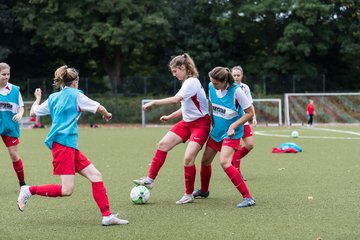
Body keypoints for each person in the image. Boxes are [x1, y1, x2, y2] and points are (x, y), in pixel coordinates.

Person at [17, 65, 128, 226]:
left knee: (96, 176)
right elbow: (100, 107)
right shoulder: (77, 95)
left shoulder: (54, 97)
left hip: (66, 145)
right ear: (76, 81)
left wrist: (37, 98)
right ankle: (28, 190)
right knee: (67, 190)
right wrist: (107, 114)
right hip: (63, 145)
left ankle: (107, 216)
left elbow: (33, 112)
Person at [133, 53, 210, 204]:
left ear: (183, 67)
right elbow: (187, 107)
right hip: (187, 123)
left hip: (201, 124)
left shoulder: (191, 82)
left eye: (175, 71)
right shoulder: (186, 83)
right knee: (163, 145)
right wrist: (170, 117)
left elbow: (176, 100)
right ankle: (150, 180)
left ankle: (188, 194)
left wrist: (154, 103)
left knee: (188, 159)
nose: (174, 75)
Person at [192, 66, 256, 208]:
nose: (213, 85)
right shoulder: (211, 86)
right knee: (205, 161)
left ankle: (248, 197)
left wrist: (233, 126)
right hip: (217, 131)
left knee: (225, 162)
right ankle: (204, 190)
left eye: (216, 83)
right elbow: (212, 105)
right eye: (211, 82)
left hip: (232, 133)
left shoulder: (237, 91)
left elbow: (249, 113)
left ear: (224, 81)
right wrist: (210, 122)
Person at [0, 62, 27, 187]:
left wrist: (20, 113)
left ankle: (22, 184)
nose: (6, 77)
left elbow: (21, 107)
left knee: (14, 155)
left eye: (8, 74)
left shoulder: (15, 90)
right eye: (3, 74)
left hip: (10, 126)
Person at [230, 66, 257, 180]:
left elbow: (249, 104)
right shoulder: (228, 87)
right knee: (238, 145)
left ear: (242, 76)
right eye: (234, 75)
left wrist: (254, 117)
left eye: (238, 75)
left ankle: (232, 162)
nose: (236, 77)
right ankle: (236, 171)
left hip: (244, 119)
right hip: (233, 120)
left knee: (250, 145)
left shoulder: (245, 87)